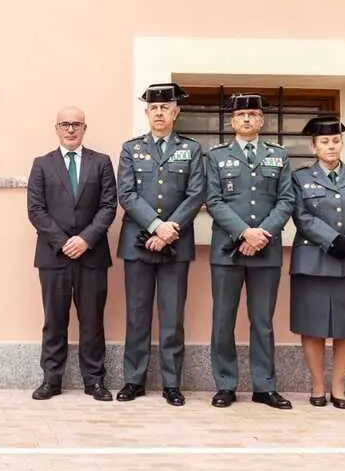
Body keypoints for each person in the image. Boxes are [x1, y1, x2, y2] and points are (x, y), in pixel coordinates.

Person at [116, 83, 206, 407]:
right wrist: (155, 226)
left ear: (175, 112)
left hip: (175, 243)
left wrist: (170, 229)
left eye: (165, 108)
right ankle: (133, 380)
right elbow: (125, 194)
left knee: (172, 317)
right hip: (137, 242)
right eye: (153, 108)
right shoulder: (131, 149)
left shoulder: (192, 150)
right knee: (137, 315)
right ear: (146, 113)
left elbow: (196, 193)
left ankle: (171, 383)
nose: (159, 113)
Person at [204, 93, 296, 410]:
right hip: (227, 251)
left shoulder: (279, 156)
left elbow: (286, 200)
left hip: (266, 250)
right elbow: (213, 201)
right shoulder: (216, 157)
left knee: (263, 321)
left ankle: (264, 386)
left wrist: (262, 234)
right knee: (223, 319)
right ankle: (225, 385)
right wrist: (244, 232)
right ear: (232, 121)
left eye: (252, 114)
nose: (246, 119)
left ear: (261, 120)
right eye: (241, 114)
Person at [26, 107, 118, 402]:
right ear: (56, 128)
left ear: (84, 128)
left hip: (91, 255)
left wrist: (86, 239)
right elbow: (35, 210)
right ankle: (51, 380)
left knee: (92, 320)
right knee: (54, 320)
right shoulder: (42, 164)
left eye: (76, 124)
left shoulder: (101, 162)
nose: (70, 129)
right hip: (54, 256)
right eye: (65, 124)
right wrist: (64, 241)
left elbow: (108, 206)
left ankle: (95, 381)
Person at [288, 116, 345, 410]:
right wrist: (331, 240)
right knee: (312, 326)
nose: (331, 146)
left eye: (336, 140)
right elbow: (301, 216)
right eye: (325, 142)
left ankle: (339, 386)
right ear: (314, 147)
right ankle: (317, 384)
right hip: (313, 261)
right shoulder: (300, 178)